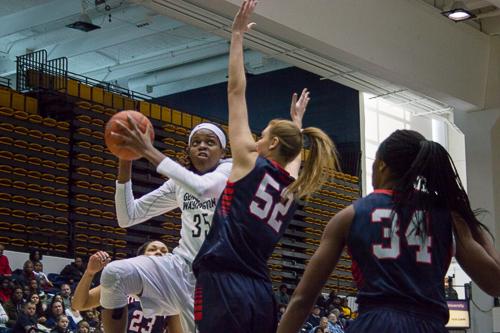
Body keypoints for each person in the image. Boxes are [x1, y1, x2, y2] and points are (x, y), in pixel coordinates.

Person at [191, 2, 339, 332]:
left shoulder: (247, 160)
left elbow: (235, 90)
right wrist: (297, 124)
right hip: (260, 290)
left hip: (224, 282)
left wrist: (236, 36)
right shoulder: (292, 184)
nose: (256, 138)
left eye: (264, 135)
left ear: (271, 145)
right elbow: (295, 152)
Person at [277, 129, 500, 333]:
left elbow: (302, 300)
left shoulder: (350, 215)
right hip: (429, 325)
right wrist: (474, 227)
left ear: (381, 165)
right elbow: (495, 283)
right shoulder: (448, 217)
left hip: (375, 323)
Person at [99, 115, 231, 333]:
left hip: (219, 278)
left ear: (223, 152)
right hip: (181, 269)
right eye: (196, 142)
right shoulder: (179, 183)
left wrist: (149, 151)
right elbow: (127, 216)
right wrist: (125, 158)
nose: (202, 146)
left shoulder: (231, 170)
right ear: (188, 150)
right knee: (115, 274)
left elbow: (202, 187)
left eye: (210, 142)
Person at [73, 241, 182, 333]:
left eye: (164, 252)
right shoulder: (122, 281)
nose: (158, 252)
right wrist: (90, 273)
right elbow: (79, 304)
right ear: (141, 258)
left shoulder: (172, 292)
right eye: (152, 249)